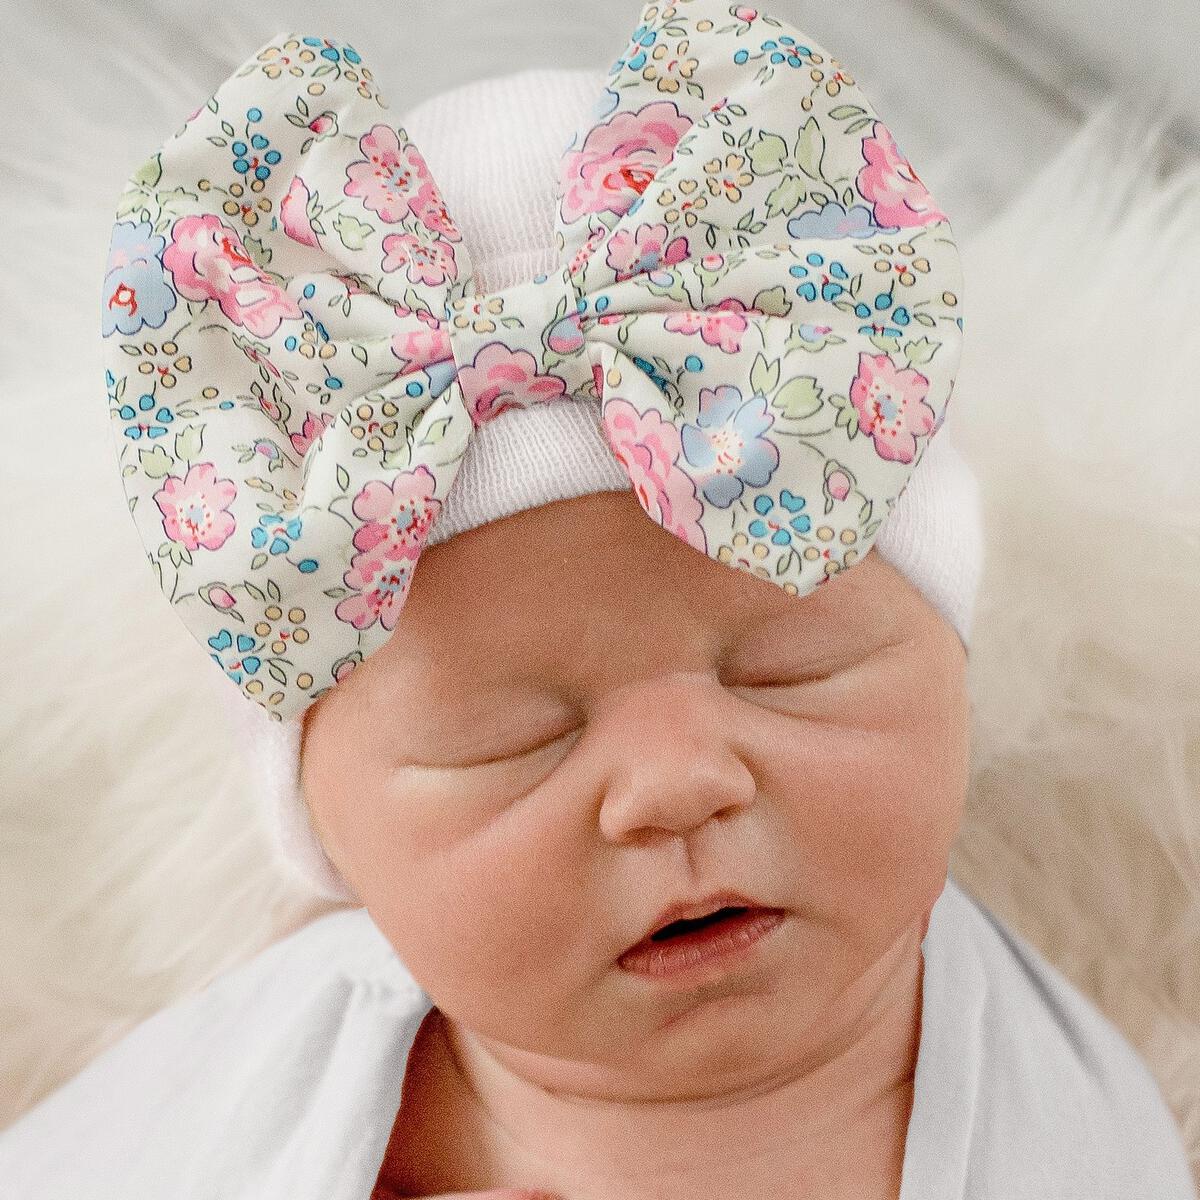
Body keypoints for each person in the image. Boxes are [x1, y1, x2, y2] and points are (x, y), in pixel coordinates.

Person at [3, 9, 1194, 1199]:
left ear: (949, 667)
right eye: (510, 742)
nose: (677, 784)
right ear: (335, 851)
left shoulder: (1079, 1144)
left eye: (787, 672)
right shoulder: (215, 1106)